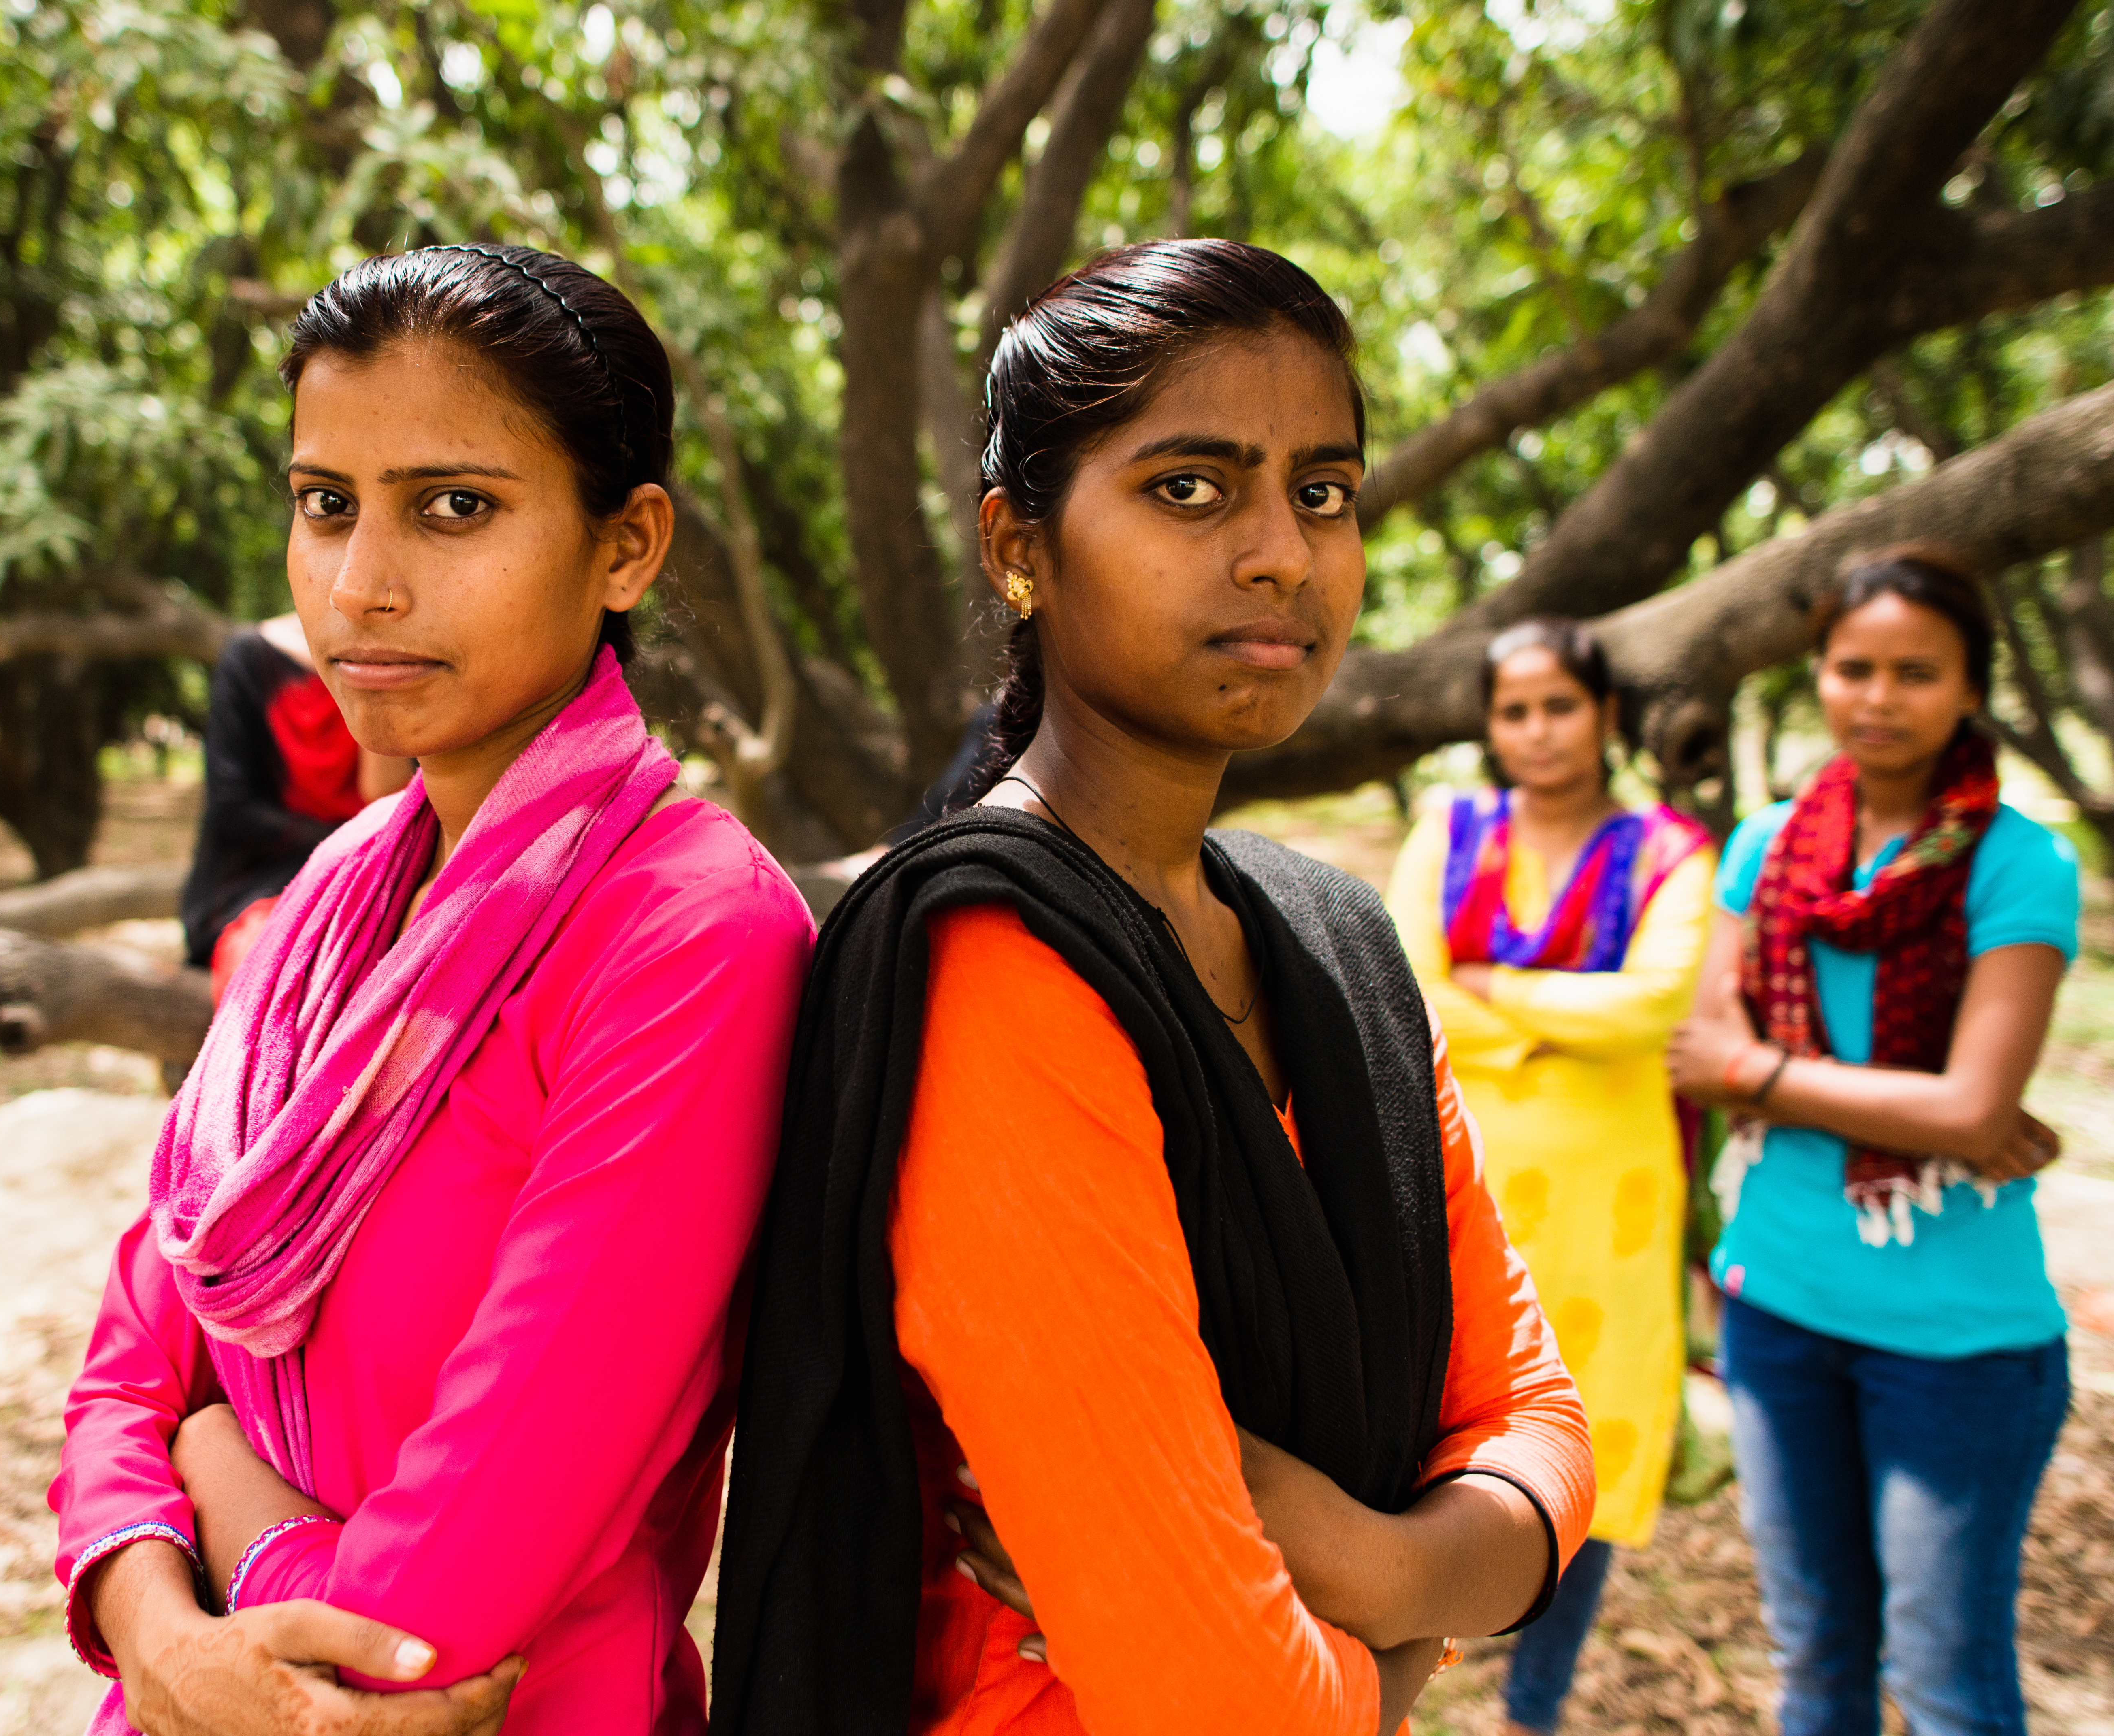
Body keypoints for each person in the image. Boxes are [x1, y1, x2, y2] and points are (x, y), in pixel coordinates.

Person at [711, 239, 1594, 1736]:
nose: (1281, 553)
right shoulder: (1001, 960)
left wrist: (1372, 1563)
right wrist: (1423, 1623)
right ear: (1018, 545)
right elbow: (1227, 1703)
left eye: (1321, 490)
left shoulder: (1333, 945)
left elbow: (1542, 1422)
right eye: (1190, 486)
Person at [50, 244, 815, 1736]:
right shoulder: (318, 926)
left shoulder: (683, 936)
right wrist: (149, 1621)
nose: (360, 583)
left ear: (628, 545)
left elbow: (423, 1626)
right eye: (325, 503)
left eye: (453, 506)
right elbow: (123, 1366)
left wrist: (216, 1477)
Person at [1668, 548, 2075, 1736]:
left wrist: (1771, 1077)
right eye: (1852, 668)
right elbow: (1701, 1044)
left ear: (1966, 686)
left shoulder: (2014, 861)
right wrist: (1911, 1102)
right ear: (1817, 675)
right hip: (1776, 1309)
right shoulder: (1766, 846)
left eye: (1913, 671)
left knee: (1943, 1684)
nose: (1877, 696)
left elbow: (1965, 1115)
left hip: (1951, 1343)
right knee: (1816, 1667)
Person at [1383, 618, 1713, 1734]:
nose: (1537, 730)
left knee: (1594, 1433)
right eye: (1514, 709)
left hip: (1611, 1206)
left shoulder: (1671, 850)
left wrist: (1498, 995)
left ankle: (1535, 1700)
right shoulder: (1451, 828)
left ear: (1608, 716)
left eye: (1560, 705)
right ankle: (1398, 1662)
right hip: (1460, 1181)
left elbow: (1653, 1004)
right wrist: (1564, 1014)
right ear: (1489, 725)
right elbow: (1412, 986)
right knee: (1432, 1414)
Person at [182, 611, 414, 999]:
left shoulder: (402, 657)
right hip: (261, 881)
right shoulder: (251, 657)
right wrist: (343, 850)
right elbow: (233, 807)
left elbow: (387, 797)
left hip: (374, 874)